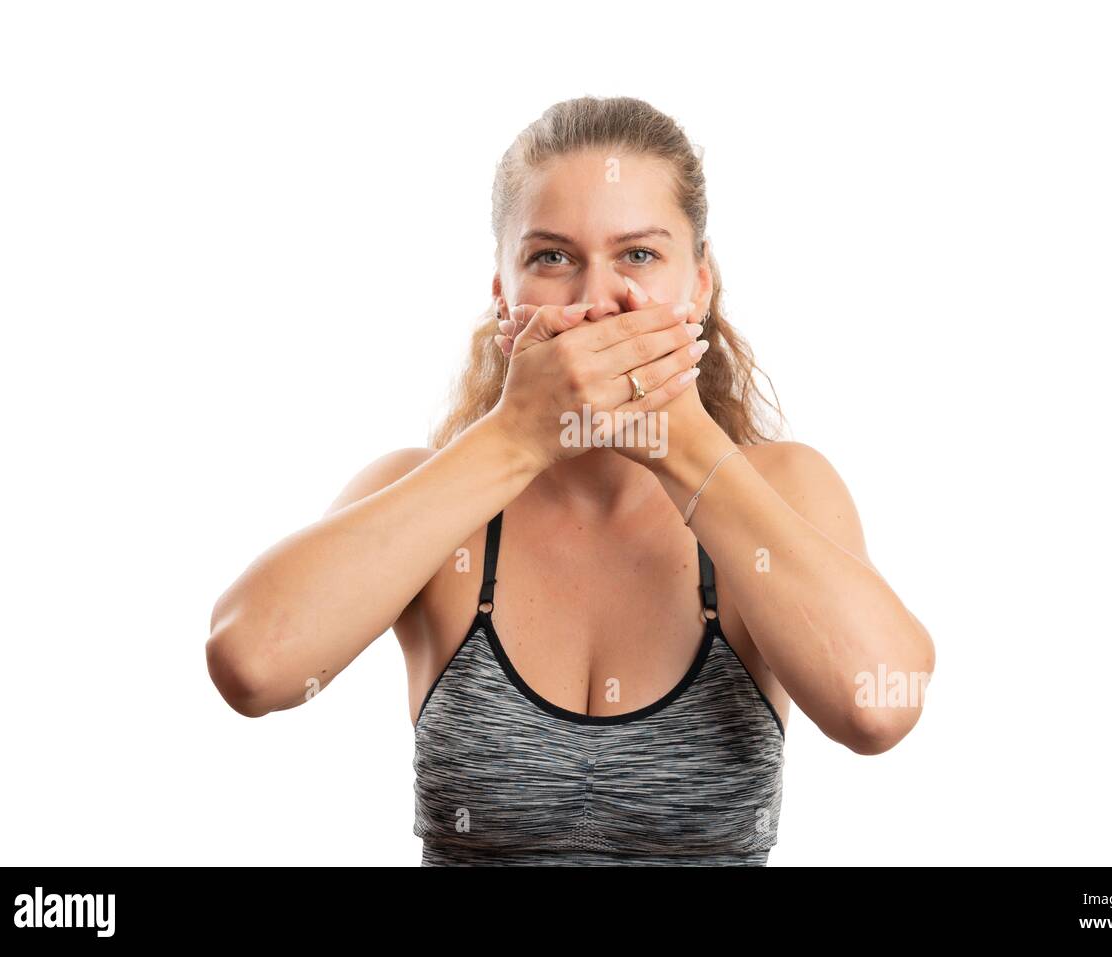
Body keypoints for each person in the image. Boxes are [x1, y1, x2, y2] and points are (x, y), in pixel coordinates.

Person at [207, 95, 935, 866]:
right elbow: (253, 663)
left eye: (640, 256)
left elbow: (875, 707)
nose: (596, 301)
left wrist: (683, 446)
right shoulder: (431, 497)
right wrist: (516, 440)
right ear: (501, 290)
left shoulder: (783, 486)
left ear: (700, 286)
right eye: (552, 257)